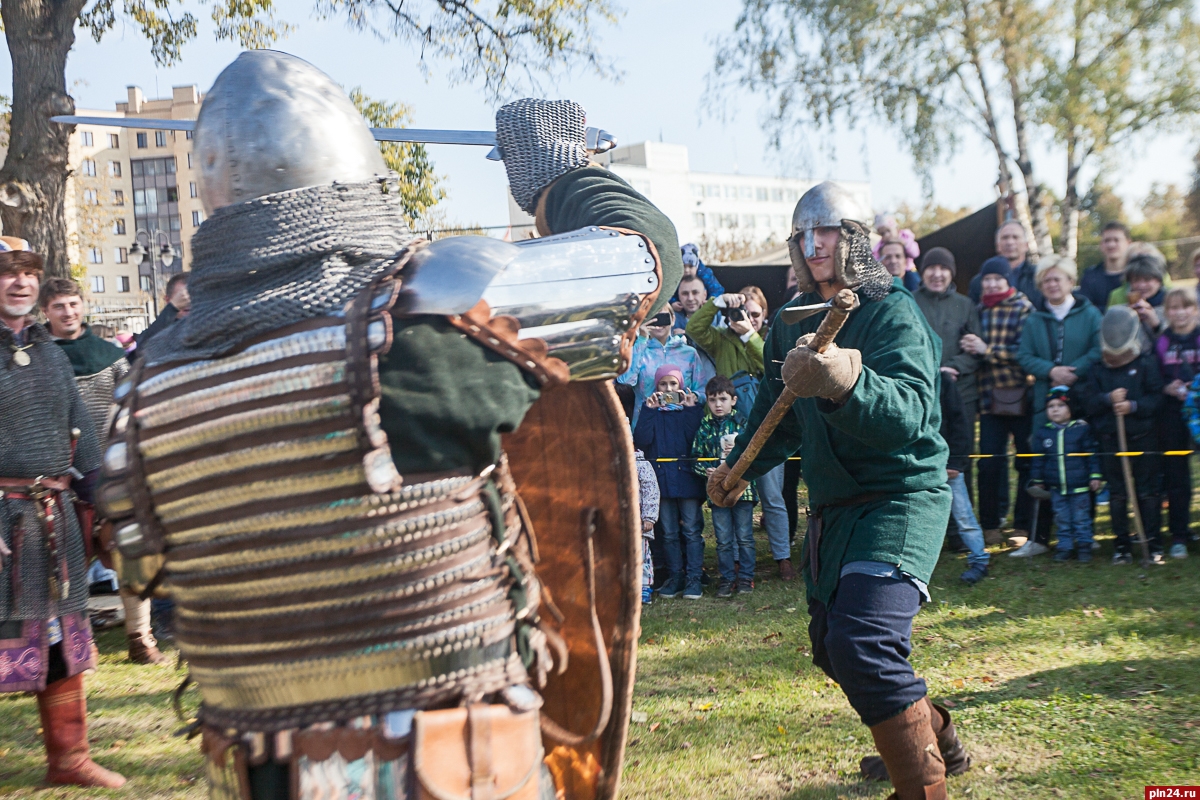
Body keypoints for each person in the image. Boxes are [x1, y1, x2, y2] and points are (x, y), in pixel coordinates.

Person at [95, 52, 682, 798]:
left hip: (263, 769)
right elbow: (636, 258)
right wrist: (556, 173)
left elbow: (134, 562)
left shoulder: (149, 389)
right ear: (358, 183)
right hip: (447, 763)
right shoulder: (425, 321)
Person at [709, 182, 968, 799]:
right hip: (833, 507)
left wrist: (847, 380)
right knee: (833, 647)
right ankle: (934, 743)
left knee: (863, 642)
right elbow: (779, 413)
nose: (813, 244)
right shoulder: (791, 322)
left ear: (853, 237)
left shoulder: (891, 310)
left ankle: (922, 785)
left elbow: (909, 411)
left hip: (898, 496)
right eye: (804, 234)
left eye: (825, 231)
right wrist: (740, 465)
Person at [0, 238, 123, 788]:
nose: (20, 283)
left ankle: (68, 760)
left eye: (28, 273)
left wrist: (102, 509)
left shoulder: (51, 353)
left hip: (53, 517)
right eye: (7, 274)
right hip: (3, 515)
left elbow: (85, 441)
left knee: (56, 636)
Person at [39, 277, 168, 666]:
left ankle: (139, 638)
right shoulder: (35, 355)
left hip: (108, 467)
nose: (68, 312)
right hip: (54, 469)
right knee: (67, 560)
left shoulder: (107, 354)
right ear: (45, 310)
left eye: (73, 304)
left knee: (125, 548)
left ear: (83, 305)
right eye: (59, 306)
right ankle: (80, 642)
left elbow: (131, 406)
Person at [688, 286, 793, 579]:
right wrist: (717, 303)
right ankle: (734, 560)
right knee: (729, 491)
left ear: (764, 314)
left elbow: (775, 367)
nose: (749, 318)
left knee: (773, 496)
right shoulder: (722, 341)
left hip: (768, 431)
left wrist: (749, 334)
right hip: (732, 434)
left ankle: (782, 556)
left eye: (755, 314)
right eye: (743, 312)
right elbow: (695, 328)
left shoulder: (771, 340)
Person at [1014, 255, 1102, 555]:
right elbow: (1023, 355)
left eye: (1058, 278)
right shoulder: (1035, 320)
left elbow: (1098, 348)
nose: (1052, 284)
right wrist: (1051, 370)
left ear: (1069, 281)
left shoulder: (1089, 315)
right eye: (1047, 280)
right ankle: (1038, 538)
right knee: (1043, 465)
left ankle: (1083, 536)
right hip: (1045, 403)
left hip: (1082, 398)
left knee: (1082, 462)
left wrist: (1072, 370)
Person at [1080, 305, 1165, 565]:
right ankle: (1122, 547)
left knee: (1148, 494)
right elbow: (1088, 403)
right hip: (1111, 441)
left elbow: (1157, 399)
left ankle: (1152, 542)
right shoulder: (1097, 369)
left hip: (1142, 440)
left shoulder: (1145, 364)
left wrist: (1133, 406)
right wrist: (1107, 399)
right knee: (1117, 495)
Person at [961, 257, 1036, 546]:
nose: (992, 283)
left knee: (1026, 463)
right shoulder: (978, 310)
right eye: (988, 278)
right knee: (990, 463)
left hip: (1020, 397)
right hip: (989, 400)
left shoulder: (1024, 308)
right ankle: (990, 524)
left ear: (1008, 281)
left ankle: (1022, 525)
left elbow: (1025, 352)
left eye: (998, 278)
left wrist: (987, 349)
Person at [634, 365, 706, 599]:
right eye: (663, 385)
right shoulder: (651, 411)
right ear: (656, 387)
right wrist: (648, 411)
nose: (668, 389)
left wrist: (691, 410)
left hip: (687, 480)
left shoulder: (688, 410)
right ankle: (675, 576)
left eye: (673, 384)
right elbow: (642, 441)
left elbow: (694, 439)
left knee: (692, 531)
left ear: (681, 386)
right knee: (669, 533)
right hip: (662, 481)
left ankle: (694, 577)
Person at [693, 375, 757, 598]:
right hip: (717, 492)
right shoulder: (704, 426)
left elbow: (755, 456)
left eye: (722, 399)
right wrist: (707, 471)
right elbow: (696, 458)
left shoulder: (743, 424)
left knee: (745, 536)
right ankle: (727, 578)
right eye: (712, 400)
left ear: (734, 400)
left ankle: (747, 577)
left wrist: (739, 458)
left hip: (743, 490)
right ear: (707, 402)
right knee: (723, 539)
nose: (718, 404)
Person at [1028, 387, 1103, 562]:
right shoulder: (1044, 433)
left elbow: (1092, 455)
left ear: (1071, 408)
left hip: (1080, 486)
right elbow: (1038, 460)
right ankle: (1065, 547)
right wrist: (1038, 480)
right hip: (1056, 487)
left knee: (1081, 518)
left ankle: (1084, 547)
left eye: (1060, 405)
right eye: (1051, 406)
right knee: (1062, 519)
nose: (1055, 409)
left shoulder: (1081, 430)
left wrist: (1095, 476)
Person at [1155, 287, 1199, 558]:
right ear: (1166, 312)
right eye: (1173, 308)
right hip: (1172, 413)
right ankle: (1179, 534)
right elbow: (1153, 375)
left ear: (1194, 309)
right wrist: (1165, 387)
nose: (1179, 312)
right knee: (1176, 475)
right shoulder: (1162, 341)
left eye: (1185, 307)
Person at [619, 311, 713, 426]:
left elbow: (703, 391)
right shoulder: (639, 350)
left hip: (683, 424)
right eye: (654, 317)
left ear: (673, 319)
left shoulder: (689, 353)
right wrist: (642, 339)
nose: (658, 323)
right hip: (647, 424)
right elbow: (625, 381)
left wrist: (695, 396)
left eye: (664, 317)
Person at [940, 374, 990, 585]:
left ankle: (979, 558)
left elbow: (960, 424)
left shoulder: (943, 382)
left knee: (963, 516)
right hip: (913, 464)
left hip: (947, 463)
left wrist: (956, 462)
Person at [969, 219, 1044, 310]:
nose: (1010, 242)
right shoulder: (978, 282)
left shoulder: (1039, 277)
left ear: (1026, 245)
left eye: (1015, 237)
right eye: (1005, 238)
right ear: (998, 245)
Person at [1108, 250, 1168, 342]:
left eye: (1147, 280)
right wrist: (1127, 318)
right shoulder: (1122, 309)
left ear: (1159, 281)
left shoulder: (1171, 307)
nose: (1141, 285)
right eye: (1136, 280)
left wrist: (1156, 324)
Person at [1078, 221, 1132, 310]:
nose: (1111, 245)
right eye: (1107, 240)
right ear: (1101, 245)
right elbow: (1085, 309)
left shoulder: (1137, 275)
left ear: (1128, 243)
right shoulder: (1090, 276)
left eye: (1116, 240)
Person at [134, 271, 189, 351]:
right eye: (182, 297)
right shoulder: (163, 327)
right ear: (168, 300)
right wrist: (172, 308)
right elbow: (143, 347)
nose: (188, 302)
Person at [670, 243, 724, 307]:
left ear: (697, 266)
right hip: (683, 307)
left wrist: (710, 301)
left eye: (690, 266)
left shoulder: (705, 274)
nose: (687, 270)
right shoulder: (675, 277)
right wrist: (673, 302)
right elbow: (669, 292)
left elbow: (717, 290)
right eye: (683, 267)